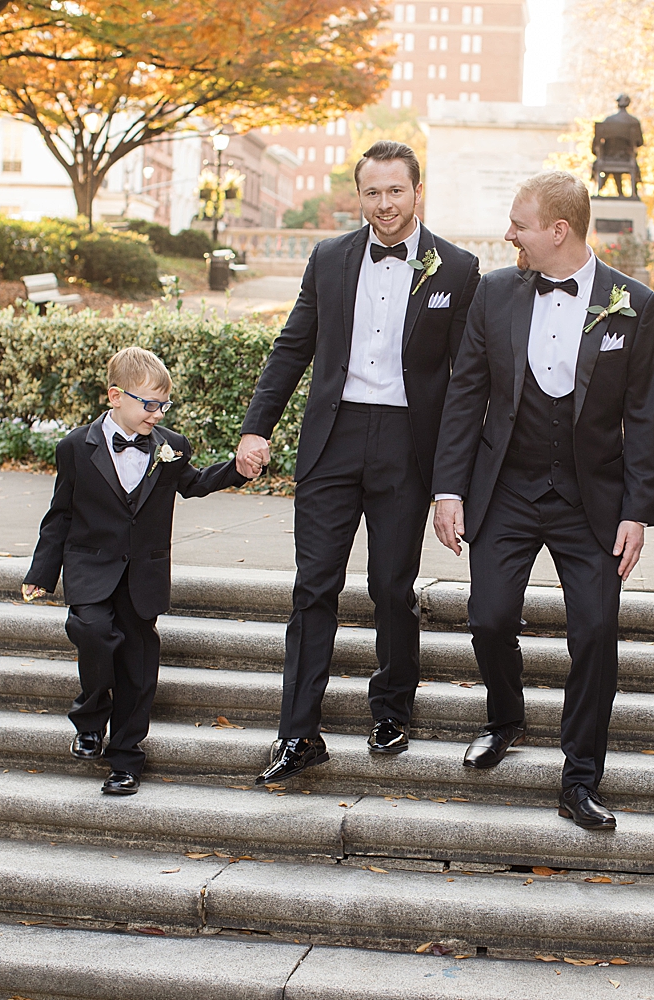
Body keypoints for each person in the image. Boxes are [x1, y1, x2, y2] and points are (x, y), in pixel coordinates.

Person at [236, 140, 481, 784]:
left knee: (391, 587)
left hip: (407, 445)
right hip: (332, 439)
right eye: (371, 192)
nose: (383, 205)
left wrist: (451, 481)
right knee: (313, 587)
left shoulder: (456, 269)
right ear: (360, 195)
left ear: (417, 191)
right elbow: (293, 346)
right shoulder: (330, 258)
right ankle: (297, 732)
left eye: (394, 190)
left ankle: (392, 707)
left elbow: (466, 384)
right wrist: (256, 428)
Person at [432, 170, 654, 830]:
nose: (509, 234)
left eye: (520, 224)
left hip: (591, 498)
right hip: (505, 486)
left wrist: (636, 511)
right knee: (489, 617)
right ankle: (505, 718)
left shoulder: (633, 303)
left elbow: (643, 416)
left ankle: (581, 777)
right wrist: (449, 490)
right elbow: (465, 394)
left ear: (558, 231)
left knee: (594, 631)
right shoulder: (496, 292)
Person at [22, 347, 249, 795]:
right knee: (91, 631)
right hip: (90, 567)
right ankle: (90, 718)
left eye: (163, 405)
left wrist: (236, 472)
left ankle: (126, 761)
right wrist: (42, 572)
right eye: (148, 403)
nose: (156, 413)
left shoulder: (171, 446)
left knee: (139, 668)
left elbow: (195, 483)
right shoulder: (75, 447)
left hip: (142, 575)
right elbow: (60, 514)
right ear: (115, 396)